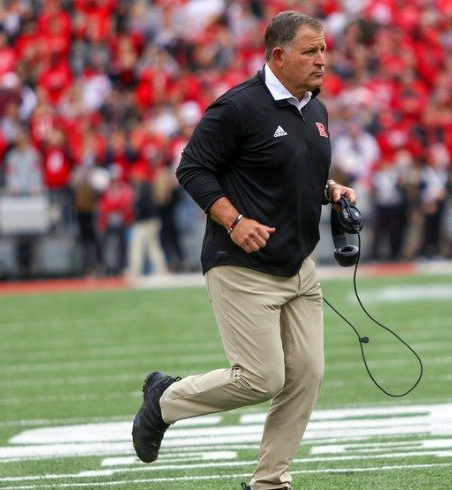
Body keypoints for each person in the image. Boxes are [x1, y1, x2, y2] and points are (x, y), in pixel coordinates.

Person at [131, 11, 356, 490]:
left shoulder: (314, 108)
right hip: (242, 266)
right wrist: (232, 220)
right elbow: (191, 168)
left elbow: (294, 176)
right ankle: (165, 401)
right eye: (310, 51)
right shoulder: (237, 107)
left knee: (308, 373)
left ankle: (270, 482)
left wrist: (330, 190)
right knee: (261, 377)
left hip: (298, 266)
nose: (322, 60)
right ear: (277, 56)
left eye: (323, 49)